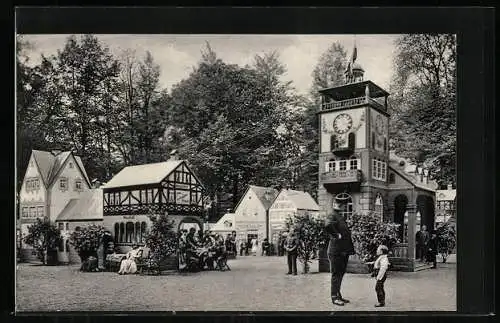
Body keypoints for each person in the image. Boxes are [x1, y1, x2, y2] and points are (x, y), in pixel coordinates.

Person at [325, 199, 355, 306]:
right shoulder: (332, 215)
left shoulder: (339, 216)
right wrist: (336, 235)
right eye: (343, 205)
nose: (344, 207)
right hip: (336, 252)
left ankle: (338, 295)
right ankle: (334, 297)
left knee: (340, 274)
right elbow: (328, 225)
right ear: (339, 205)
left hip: (342, 251)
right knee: (336, 275)